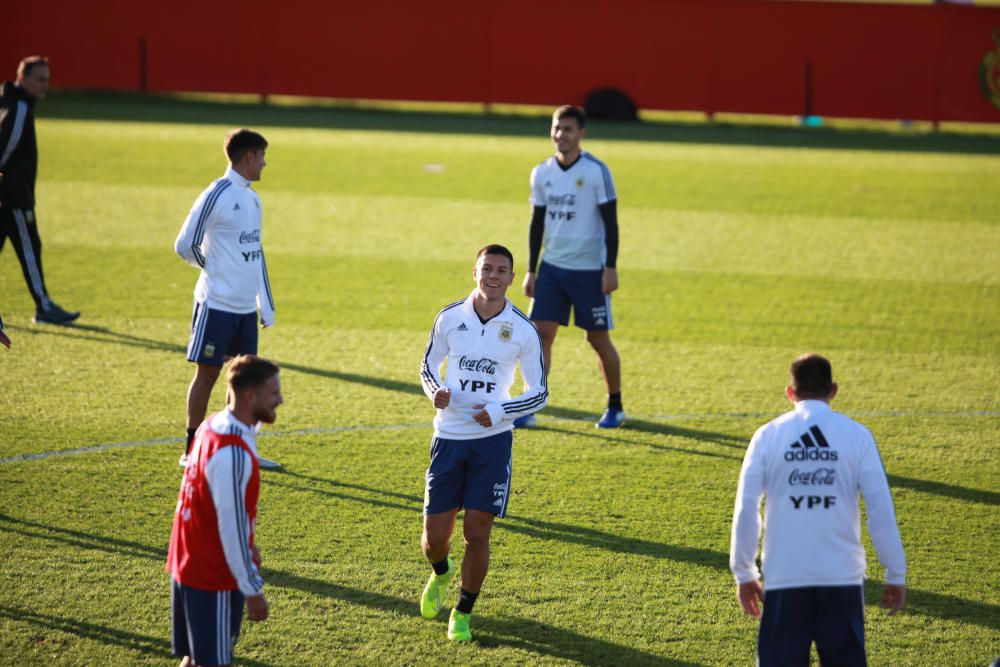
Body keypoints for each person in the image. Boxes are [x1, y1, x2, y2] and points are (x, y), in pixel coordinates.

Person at [729, 354, 907, 667]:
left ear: (790, 392)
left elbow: (747, 506)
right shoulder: (857, 436)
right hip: (841, 578)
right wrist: (895, 572)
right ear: (833, 390)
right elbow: (880, 508)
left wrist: (744, 572)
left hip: (786, 576)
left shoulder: (767, 436)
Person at [418, 244, 547, 642]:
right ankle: (441, 571)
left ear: (511, 278)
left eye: (502, 270)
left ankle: (464, 611)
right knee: (434, 539)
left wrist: (501, 411)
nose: (494, 276)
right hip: (449, 437)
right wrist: (435, 390)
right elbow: (427, 366)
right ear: (473, 272)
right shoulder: (449, 318)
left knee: (477, 532)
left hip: (492, 443)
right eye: (487, 268)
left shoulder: (523, 330)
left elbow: (539, 391)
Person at [166, 354, 283, 667]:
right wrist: (251, 588)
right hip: (211, 574)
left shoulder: (212, 425)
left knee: (195, 657)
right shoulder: (233, 452)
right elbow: (229, 529)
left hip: (187, 560)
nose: (280, 400)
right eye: (274, 393)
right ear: (250, 396)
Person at [174, 129, 278, 469]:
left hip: (246, 309)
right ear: (248, 157)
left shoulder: (252, 199)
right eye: (262, 156)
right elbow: (184, 244)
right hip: (216, 305)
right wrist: (214, 270)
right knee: (208, 375)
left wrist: (265, 302)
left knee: (246, 381)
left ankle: (244, 447)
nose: (265, 163)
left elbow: (255, 252)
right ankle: (192, 449)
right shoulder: (216, 194)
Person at [519, 104, 623, 429]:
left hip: (590, 272)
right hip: (552, 268)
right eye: (556, 128)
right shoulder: (541, 172)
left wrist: (610, 267)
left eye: (567, 129)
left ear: (581, 133)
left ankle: (616, 406)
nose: (560, 135)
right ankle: (531, 403)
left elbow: (611, 223)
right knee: (540, 335)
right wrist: (532, 270)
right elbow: (536, 224)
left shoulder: (596, 171)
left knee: (597, 339)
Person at [0, 55, 79, 325]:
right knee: (30, 248)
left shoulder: (15, 102)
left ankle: (44, 305)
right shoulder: (19, 108)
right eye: (40, 79)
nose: (46, 84)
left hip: (8, 195)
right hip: (13, 197)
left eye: (48, 78)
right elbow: (4, 149)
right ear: (22, 78)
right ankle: (44, 307)